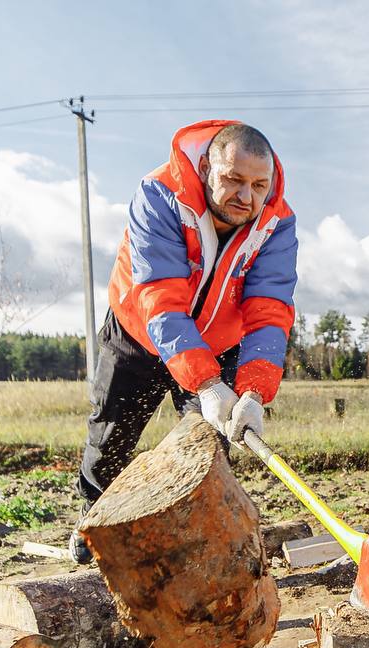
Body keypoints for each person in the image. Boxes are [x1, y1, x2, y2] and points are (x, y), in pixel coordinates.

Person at [70, 120, 297, 563]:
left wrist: (253, 391)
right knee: (111, 435)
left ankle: (198, 547)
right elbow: (161, 298)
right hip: (139, 332)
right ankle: (93, 518)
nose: (246, 197)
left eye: (258, 185)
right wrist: (206, 384)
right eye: (233, 179)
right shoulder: (159, 195)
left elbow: (269, 309)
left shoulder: (277, 223)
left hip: (218, 342)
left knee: (210, 445)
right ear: (207, 166)